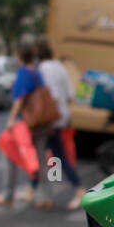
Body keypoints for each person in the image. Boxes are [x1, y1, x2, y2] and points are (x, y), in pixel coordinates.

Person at [0, 40, 53, 209]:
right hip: (42, 122)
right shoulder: (37, 73)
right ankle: (44, 196)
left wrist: (11, 119)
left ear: (19, 56)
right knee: (41, 159)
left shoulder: (23, 73)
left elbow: (20, 99)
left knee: (7, 149)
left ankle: (7, 193)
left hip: (28, 123)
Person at [35, 35, 86, 211]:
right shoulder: (60, 67)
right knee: (52, 154)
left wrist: (49, 121)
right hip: (62, 115)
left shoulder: (43, 69)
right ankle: (34, 188)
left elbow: (52, 96)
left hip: (51, 118)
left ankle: (78, 189)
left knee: (53, 155)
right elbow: (70, 94)